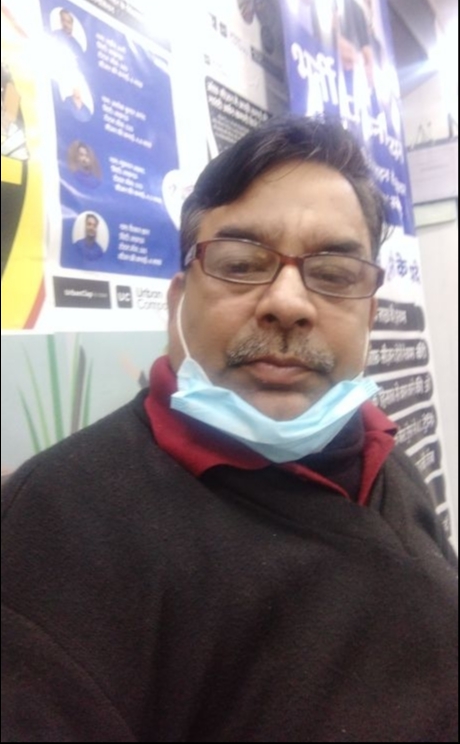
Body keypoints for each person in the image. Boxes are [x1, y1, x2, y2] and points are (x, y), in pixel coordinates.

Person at [1, 115, 457, 742]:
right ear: (177, 304)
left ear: (370, 314)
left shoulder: (385, 457)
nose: (289, 304)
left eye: (333, 275)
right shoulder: (61, 525)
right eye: (241, 264)